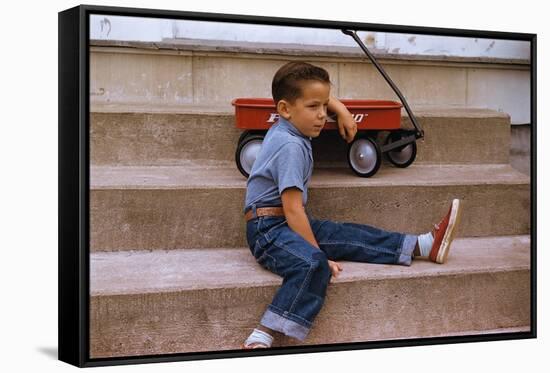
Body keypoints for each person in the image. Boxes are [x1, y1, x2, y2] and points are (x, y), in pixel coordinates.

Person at [241, 61, 463, 349]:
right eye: (313, 108)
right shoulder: (290, 146)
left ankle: (422, 245)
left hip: (281, 221)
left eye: (324, 106)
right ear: (285, 109)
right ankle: (264, 332)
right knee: (314, 264)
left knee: (345, 233)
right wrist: (315, 250)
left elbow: (317, 95)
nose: (322, 115)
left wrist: (341, 110)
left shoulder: (289, 129)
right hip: (267, 231)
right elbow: (294, 209)